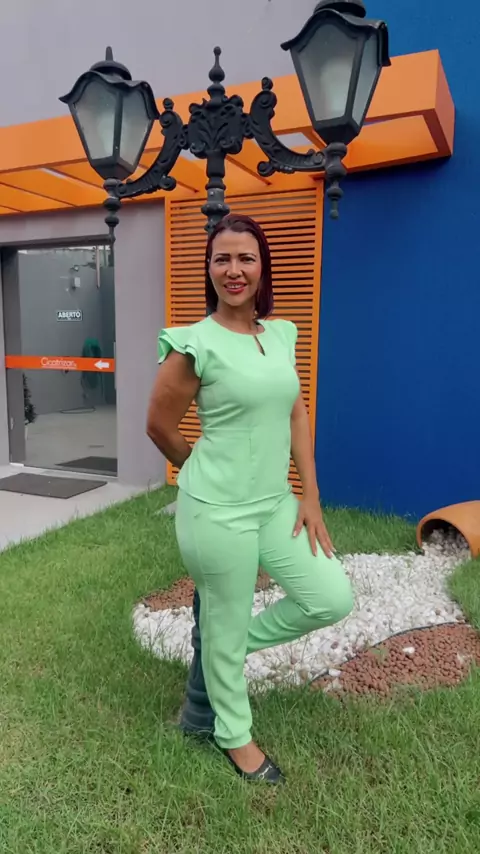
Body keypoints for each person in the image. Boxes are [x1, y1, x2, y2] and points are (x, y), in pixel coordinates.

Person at [147, 214, 353, 784]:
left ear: (262, 268)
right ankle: (234, 738)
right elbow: (158, 425)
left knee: (330, 596)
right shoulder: (193, 344)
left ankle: (224, 650)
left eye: (246, 258)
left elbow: (295, 412)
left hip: (274, 503)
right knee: (227, 610)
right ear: (209, 269)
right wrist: (200, 468)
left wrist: (310, 495)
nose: (234, 270)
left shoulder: (280, 334)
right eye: (222, 259)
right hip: (216, 511)